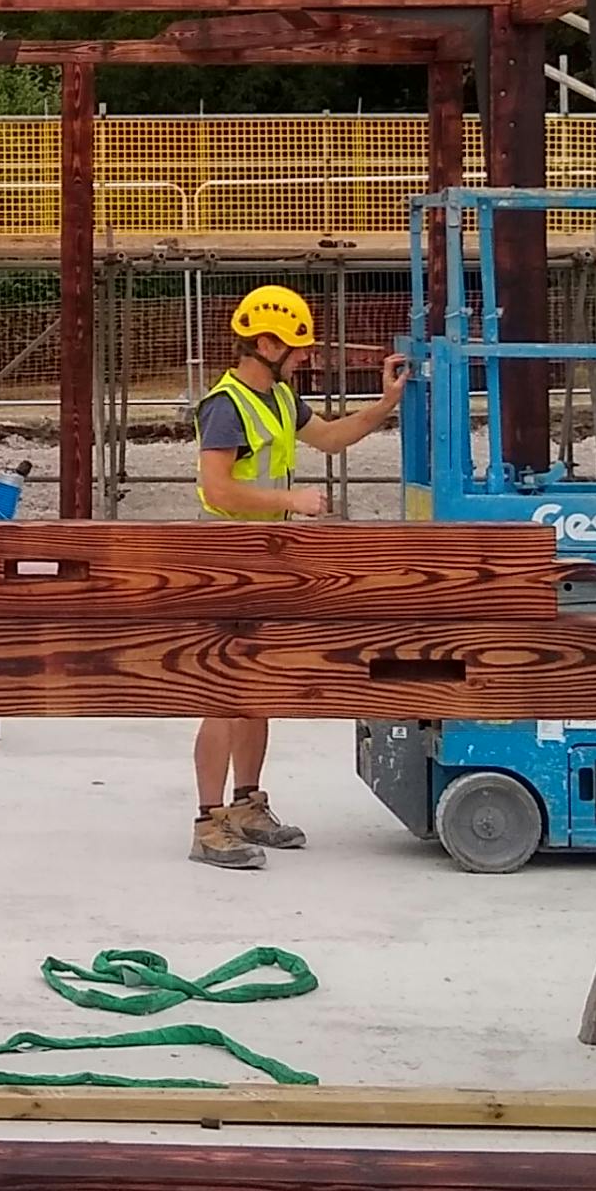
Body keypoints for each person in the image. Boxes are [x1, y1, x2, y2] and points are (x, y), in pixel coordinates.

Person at [186, 283, 407, 869]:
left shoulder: (280, 398)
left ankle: (246, 805)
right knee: (223, 692)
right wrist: (292, 499)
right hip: (226, 558)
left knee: (258, 688)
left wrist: (384, 405)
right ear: (264, 343)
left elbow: (330, 437)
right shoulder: (226, 405)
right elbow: (217, 487)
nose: (305, 356)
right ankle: (208, 824)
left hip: (266, 555)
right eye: (297, 347)